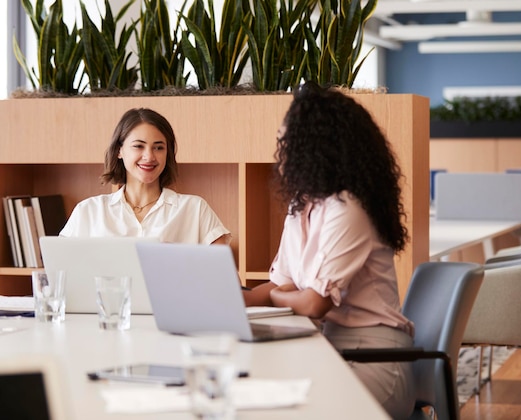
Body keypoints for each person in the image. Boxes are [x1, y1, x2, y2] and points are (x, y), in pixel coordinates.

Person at [243, 82, 416, 418]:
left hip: (375, 361)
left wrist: (279, 297)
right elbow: (285, 282)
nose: (280, 149)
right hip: (330, 349)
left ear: (316, 146)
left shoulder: (348, 208)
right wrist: (238, 298)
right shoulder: (302, 204)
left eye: (287, 140)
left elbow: (313, 303)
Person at [60, 107, 230, 245]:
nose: (149, 156)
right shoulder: (89, 211)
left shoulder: (195, 209)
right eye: (138, 146)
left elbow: (226, 282)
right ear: (120, 150)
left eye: (158, 147)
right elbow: (62, 275)